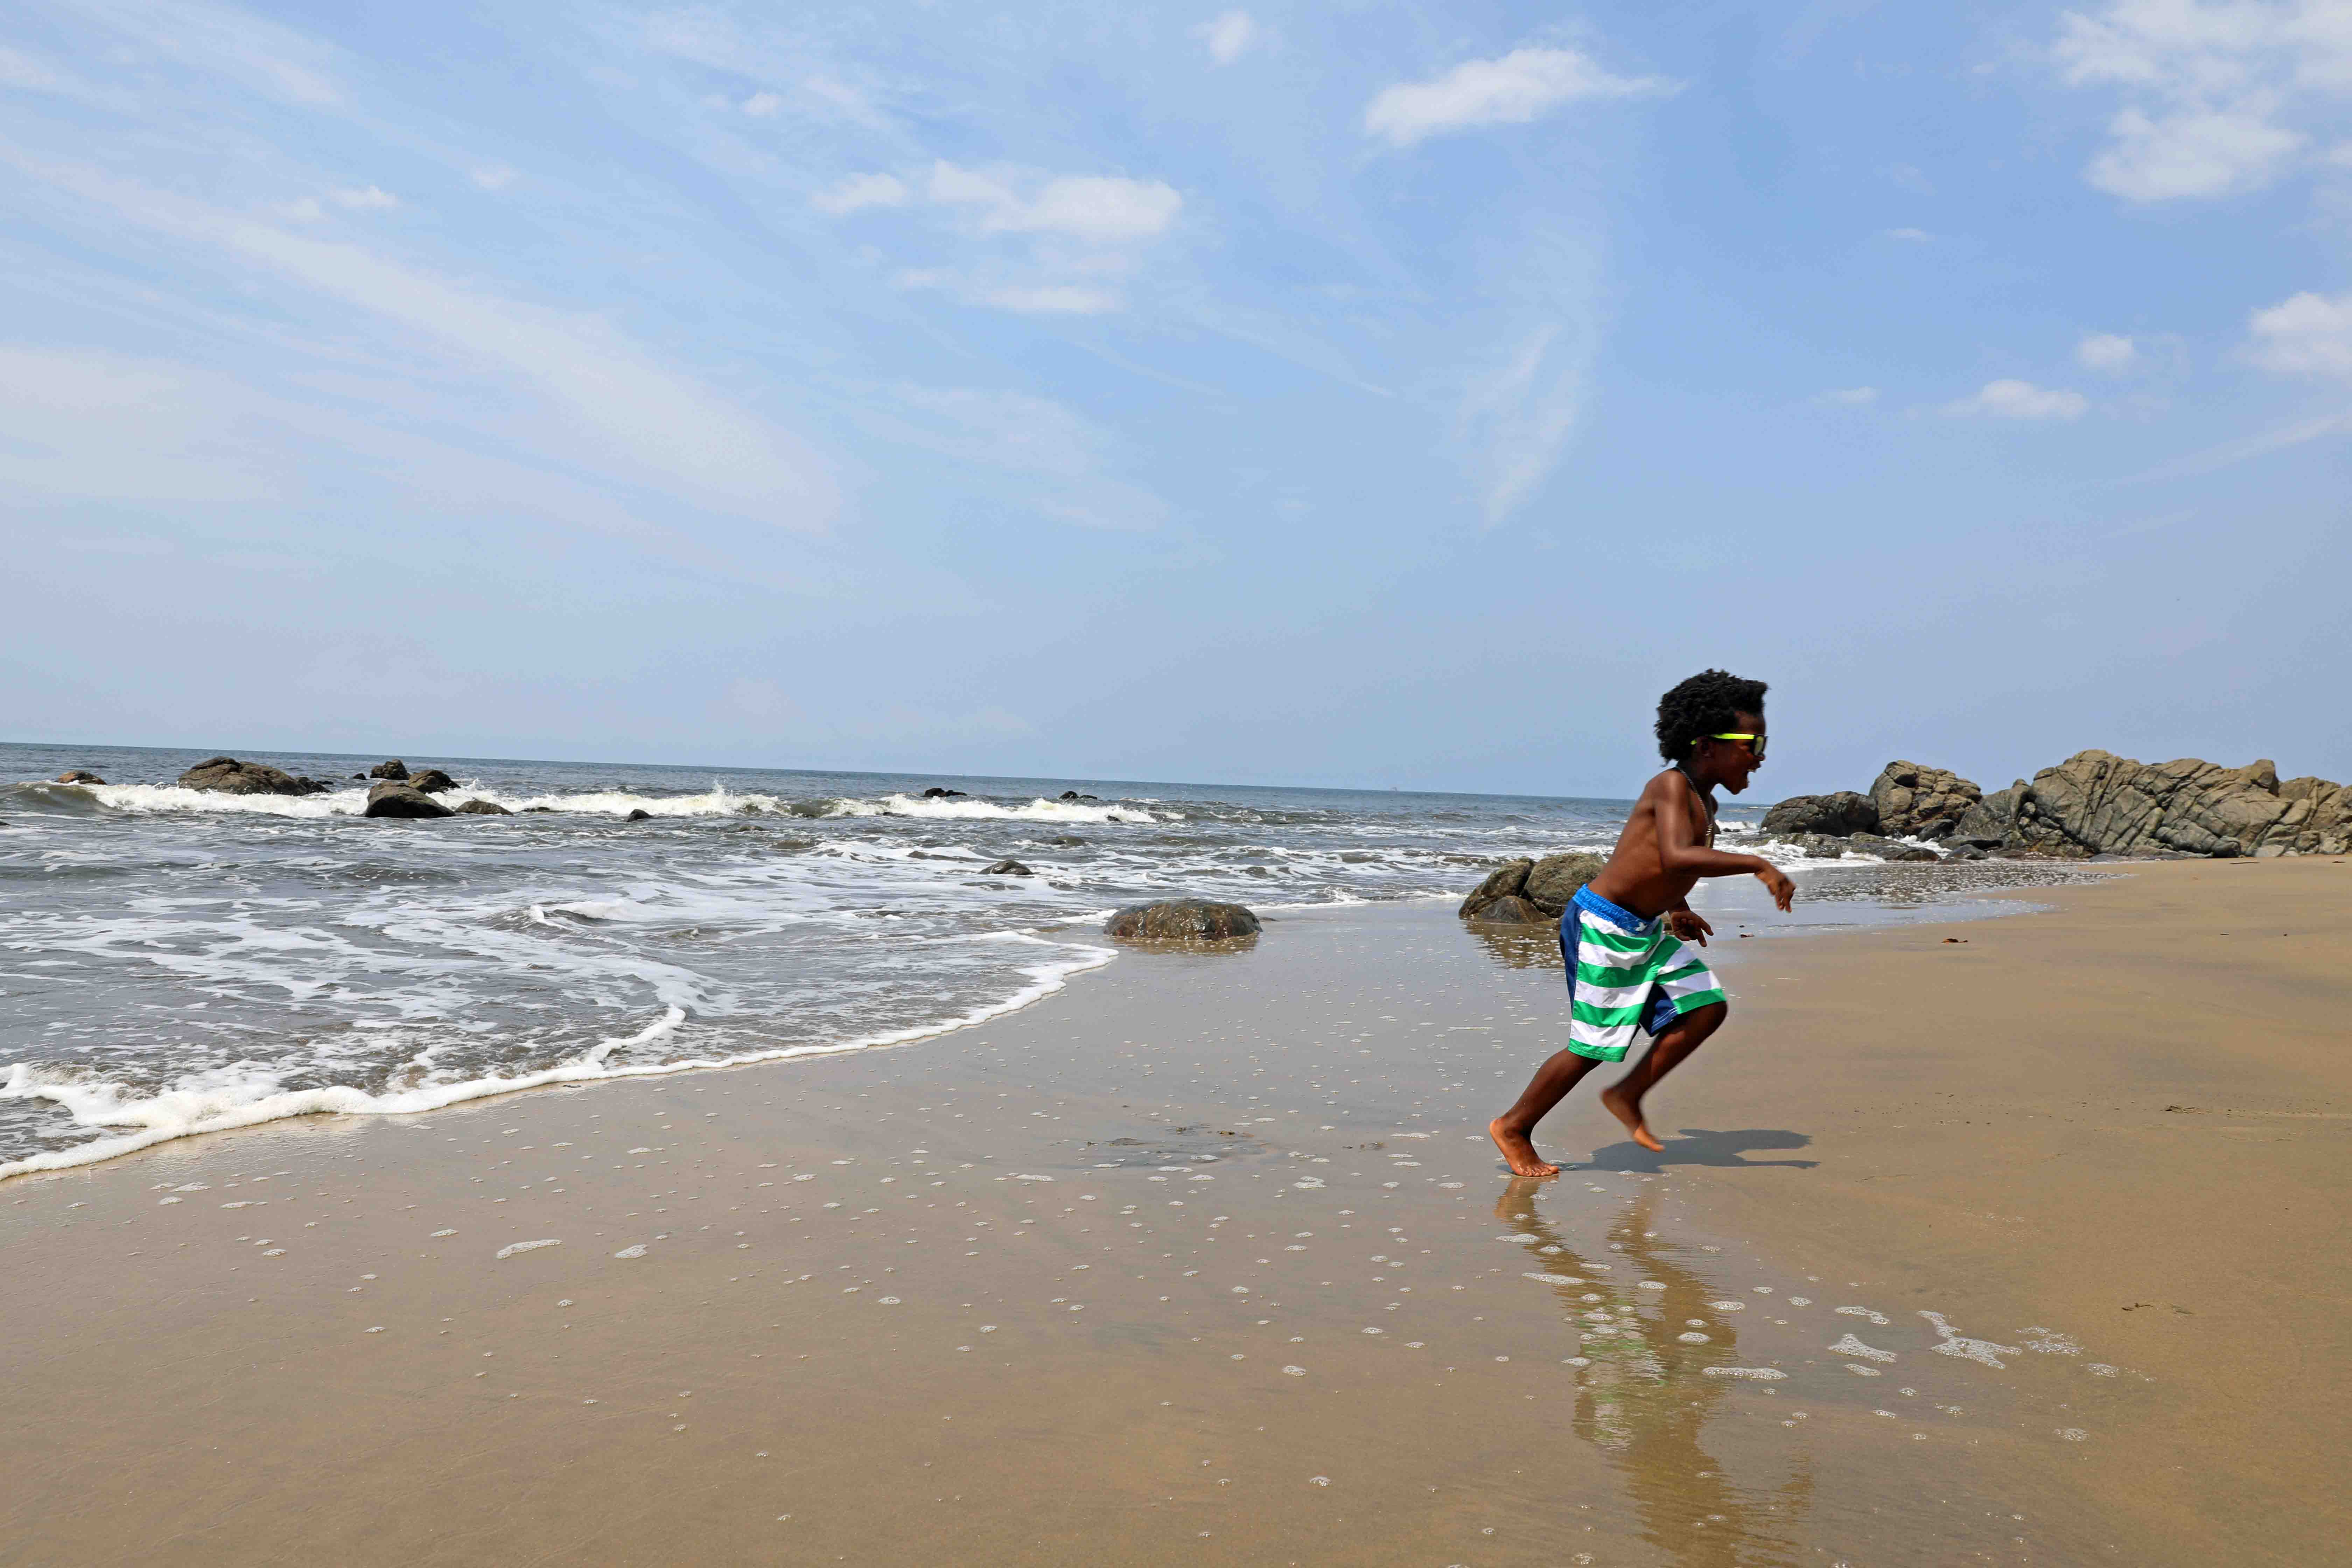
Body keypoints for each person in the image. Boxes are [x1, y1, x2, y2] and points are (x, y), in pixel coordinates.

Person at [1488, 670, 1796, 1175]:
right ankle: (1514, 1126)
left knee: (1706, 1007)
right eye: (1752, 744)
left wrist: (1677, 907)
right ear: (1706, 746)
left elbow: (1665, 866)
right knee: (1596, 1044)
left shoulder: (1707, 801)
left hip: (1645, 928)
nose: (1760, 756)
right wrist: (1758, 864)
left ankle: (1629, 1092)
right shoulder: (1670, 785)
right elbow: (1676, 854)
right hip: (1603, 926)